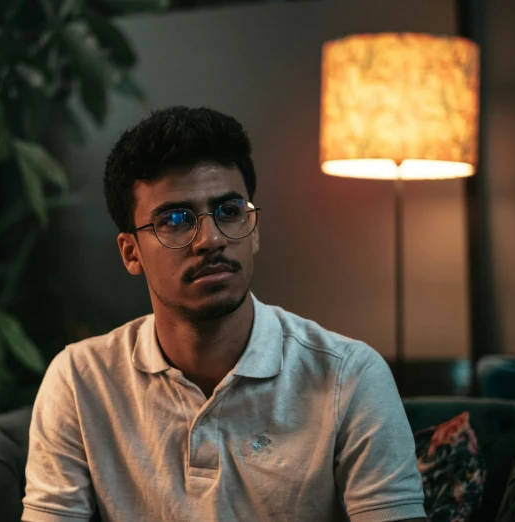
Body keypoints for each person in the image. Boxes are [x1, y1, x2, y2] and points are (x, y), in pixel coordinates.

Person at [22, 106, 426, 522]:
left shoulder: (348, 376)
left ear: (254, 231)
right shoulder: (80, 380)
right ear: (130, 252)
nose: (211, 239)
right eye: (175, 220)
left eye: (230, 211)